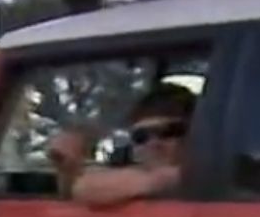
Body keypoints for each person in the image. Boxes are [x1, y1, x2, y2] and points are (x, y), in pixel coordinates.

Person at [49, 82, 196, 207]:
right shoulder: (134, 177)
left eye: (168, 132)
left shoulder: (205, 177)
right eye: (141, 136)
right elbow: (85, 188)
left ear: (196, 132)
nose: (153, 143)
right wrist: (68, 169)